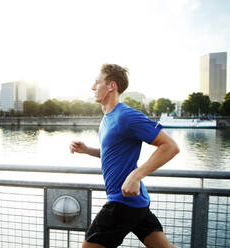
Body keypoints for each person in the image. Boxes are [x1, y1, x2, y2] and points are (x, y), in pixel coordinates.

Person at [69, 64, 180, 248]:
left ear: (111, 86)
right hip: (136, 200)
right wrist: (87, 150)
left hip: (123, 201)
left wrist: (136, 176)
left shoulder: (127, 116)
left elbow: (171, 146)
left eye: (97, 83)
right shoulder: (107, 119)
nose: (92, 87)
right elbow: (112, 154)